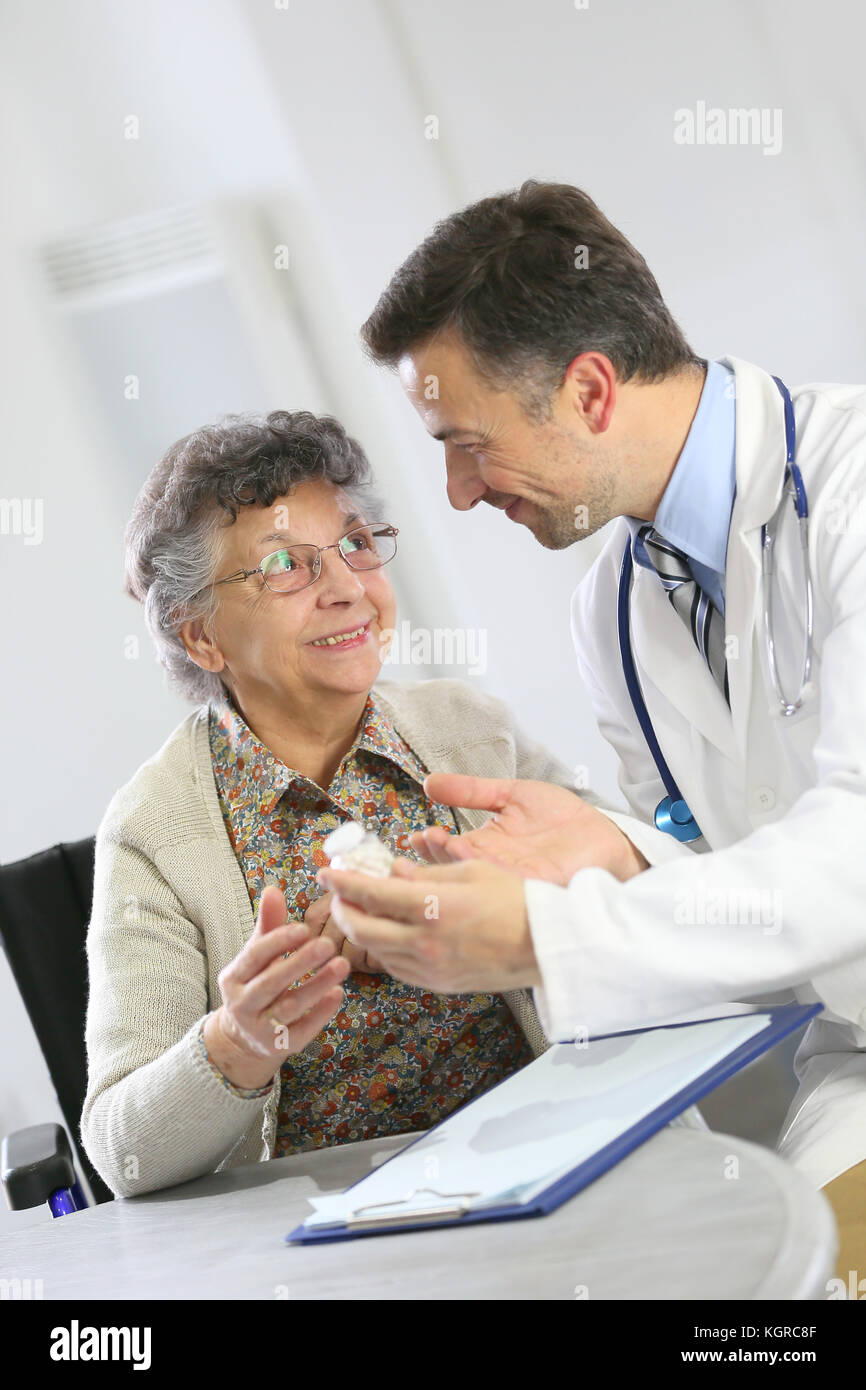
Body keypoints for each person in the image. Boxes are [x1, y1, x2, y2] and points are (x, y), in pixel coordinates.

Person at [316, 180, 866, 1273]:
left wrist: (544, 933)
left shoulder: (849, 487)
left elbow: (852, 852)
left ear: (588, 389)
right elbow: (738, 873)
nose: (457, 493)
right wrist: (615, 854)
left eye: (462, 441)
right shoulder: (609, 611)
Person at [80, 408, 645, 1198]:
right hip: (338, 1239)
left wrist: (521, 900)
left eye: (353, 545)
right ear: (201, 636)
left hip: (563, 1162)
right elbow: (121, 1149)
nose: (348, 589)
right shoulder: (151, 833)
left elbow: (644, 891)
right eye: (285, 565)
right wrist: (241, 1039)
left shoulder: (467, 730)